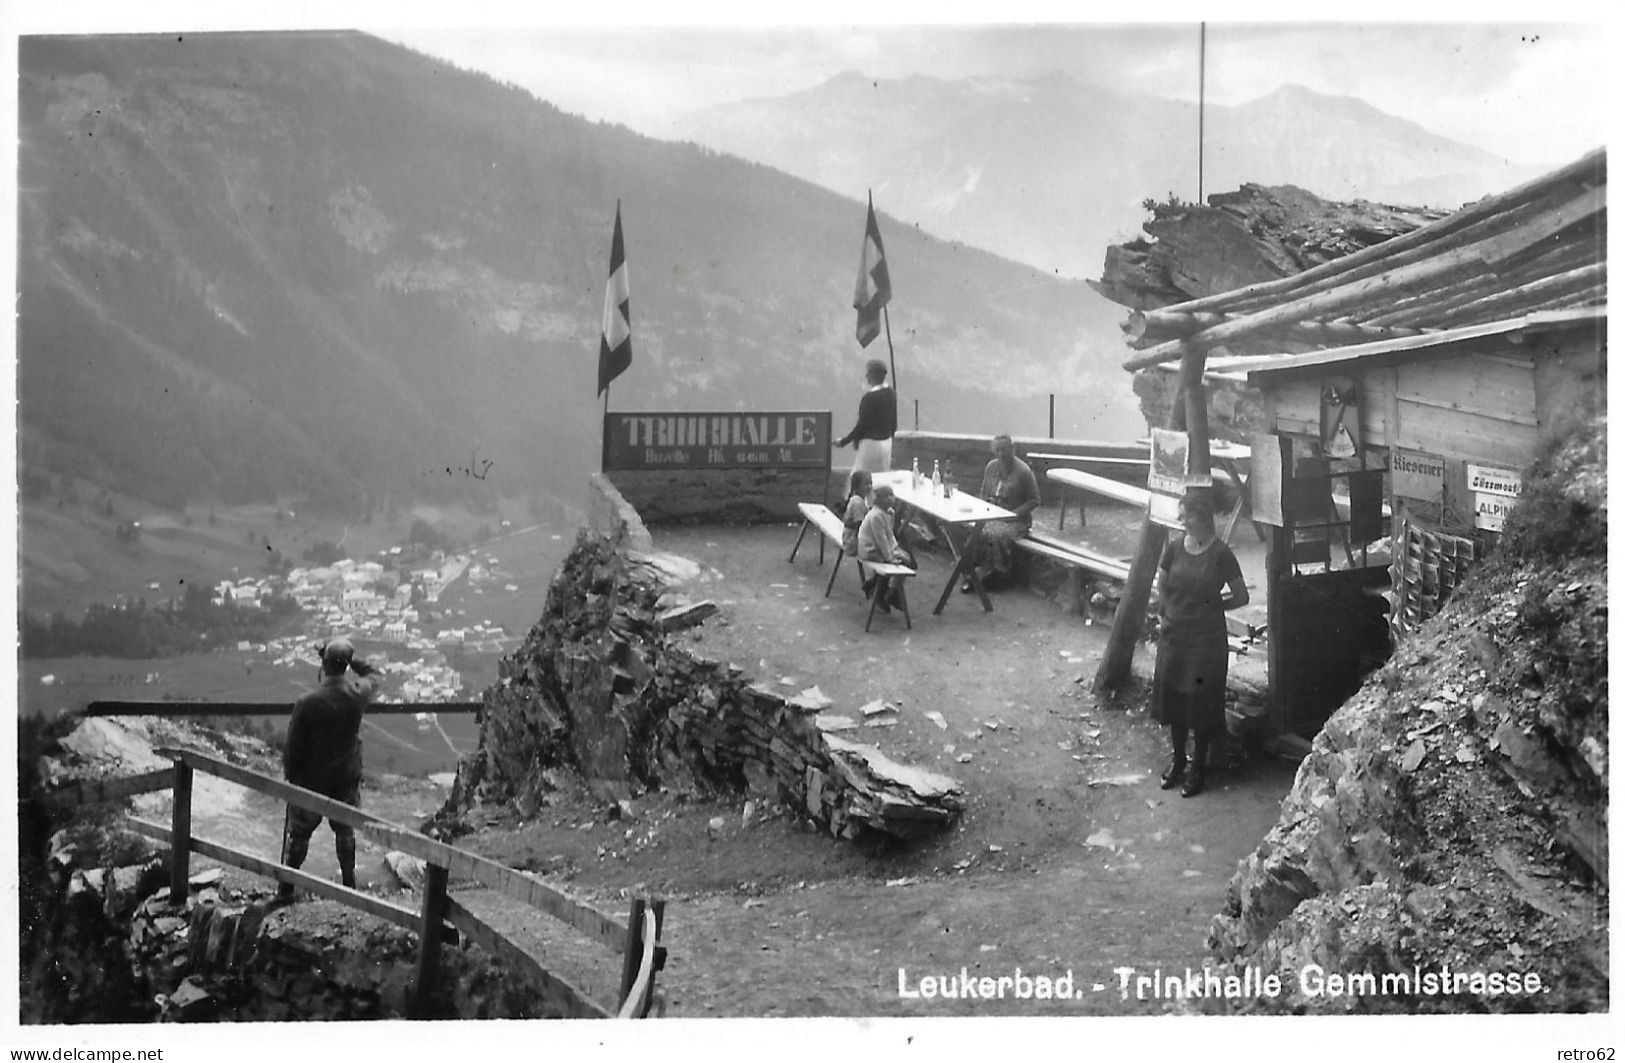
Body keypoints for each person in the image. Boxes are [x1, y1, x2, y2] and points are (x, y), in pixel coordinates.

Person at [1152, 491, 1250, 798]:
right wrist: (1167, 611)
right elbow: (1162, 584)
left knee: (1201, 704)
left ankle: (1198, 768)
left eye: (1187, 516)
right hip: (1175, 636)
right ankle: (1179, 758)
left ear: (1203, 518)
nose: (1182, 522)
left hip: (1206, 641)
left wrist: (1213, 607)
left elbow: (1241, 595)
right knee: (1176, 700)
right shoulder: (1173, 548)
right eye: (1180, 517)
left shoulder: (1221, 554)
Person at [279, 637, 383, 897]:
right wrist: (348, 659)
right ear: (346, 667)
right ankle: (349, 886)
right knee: (345, 831)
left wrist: (293, 779)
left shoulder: (307, 702)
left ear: (323, 665)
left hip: (311, 780)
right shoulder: (356, 696)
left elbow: (292, 749)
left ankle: (286, 887)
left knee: (299, 835)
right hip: (345, 778)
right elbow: (375, 674)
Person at [964, 433, 1040, 591]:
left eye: (1004, 450)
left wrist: (1012, 515)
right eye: (997, 450)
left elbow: (1034, 500)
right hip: (992, 515)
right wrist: (983, 510)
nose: (1001, 454)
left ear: (1013, 449)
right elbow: (983, 492)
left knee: (994, 533)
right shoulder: (991, 467)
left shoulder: (1023, 471)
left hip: (1016, 520)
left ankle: (999, 573)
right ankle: (976, 572)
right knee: (975, 530)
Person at [834, 359, 897, 492]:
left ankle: (853, 506)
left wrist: (844, 441)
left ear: (873, 376)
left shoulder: (869, 398)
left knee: (858, 479)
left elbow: (861, 426)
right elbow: (893, 422)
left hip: (870, 446)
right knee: (882, 479)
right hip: (887, 443)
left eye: (869, 373)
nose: (867, 376)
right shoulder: (891, 393)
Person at [856, 484, 914, 612]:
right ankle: (890, 593)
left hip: (877, 547)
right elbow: (881, 539)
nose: (890, 499)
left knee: (907, 557)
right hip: (869, 550)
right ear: (877, 499)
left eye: (891, 495)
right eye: (886, 496)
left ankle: (877, 586)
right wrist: (890, 557)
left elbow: (890, 534)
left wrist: (896, 549)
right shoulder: (876, 516)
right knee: (903, 562)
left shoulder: (886, 513)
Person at [841, 470, 877, 597]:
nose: (869, 487)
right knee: (882, 552)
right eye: (866, 484)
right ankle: (876, 584)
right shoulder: (858, 502)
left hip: (851, 538)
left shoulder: (859, 499)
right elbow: (860, 526)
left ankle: (876, 582)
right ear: (857, 486)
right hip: (852, 542)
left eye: (871, 483)